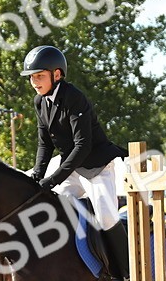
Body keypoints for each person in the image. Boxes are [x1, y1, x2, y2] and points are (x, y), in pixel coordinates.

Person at [23, 45, 126, 232]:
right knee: (56, 209)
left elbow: (83, 145)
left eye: (39, 76)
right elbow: (45, 143)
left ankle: (124, 261)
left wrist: (53, 179)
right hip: (71, 167)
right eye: (31, 77)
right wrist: (37, 176)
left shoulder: (73, 97)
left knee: (107, 220)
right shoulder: (40, 101)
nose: (34, 82)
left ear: (56, 75)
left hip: (96, 166)